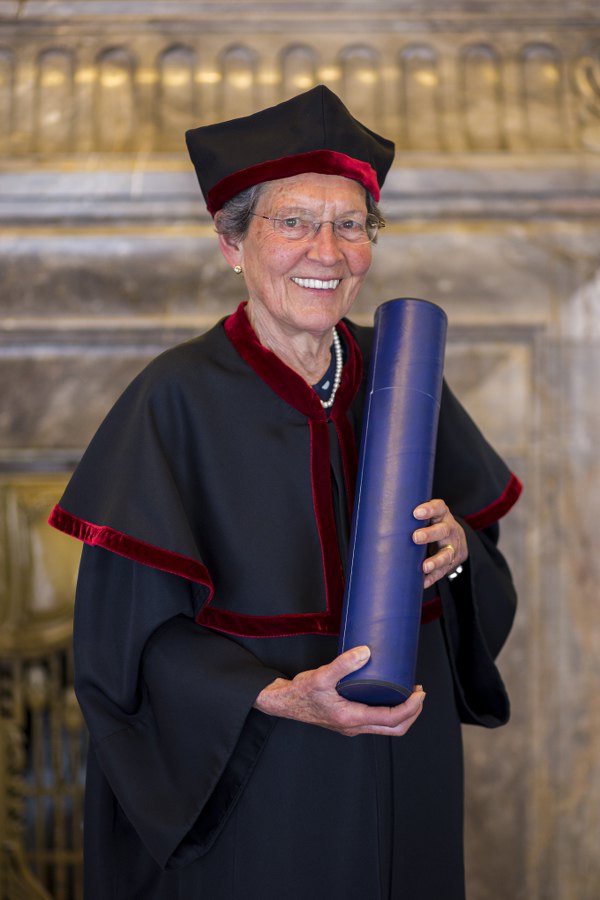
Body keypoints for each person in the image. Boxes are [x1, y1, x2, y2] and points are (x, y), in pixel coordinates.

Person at [49, 85, 522, 899]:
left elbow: (484, 578)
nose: (327, 252)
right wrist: (278, 697)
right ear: (232, 243)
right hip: (256, 781)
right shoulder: (174, 399)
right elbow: (120, 653)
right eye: (295, 221)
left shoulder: (404, 377)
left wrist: (458, 555)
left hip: (403, 761)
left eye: (351, 225)